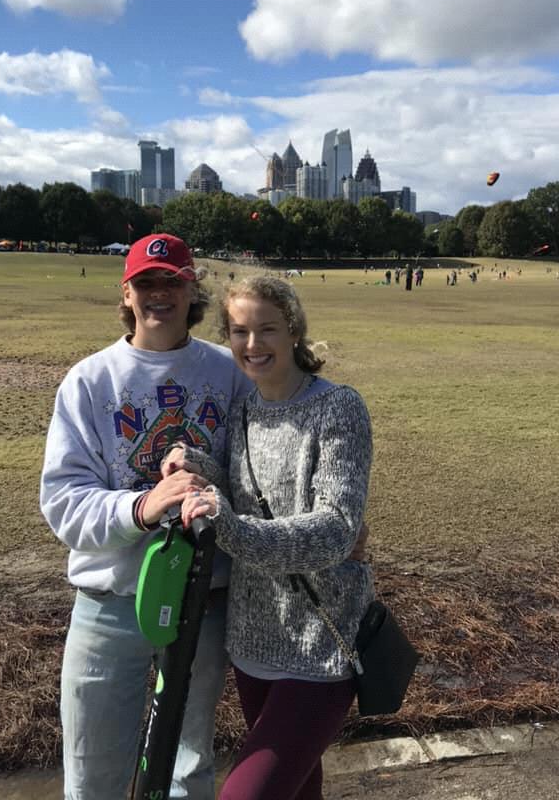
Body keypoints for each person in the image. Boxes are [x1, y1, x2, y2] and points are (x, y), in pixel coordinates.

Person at [40, 233, 251, 800]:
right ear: (126, 293)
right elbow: (63, 501)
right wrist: (142, 506)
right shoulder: (90, 380)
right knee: (93, 775)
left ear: (191, 291)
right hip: (110, 604)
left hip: (201, 603)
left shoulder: (230, 372)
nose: (160, 293)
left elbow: (259, 473)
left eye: (172, 281)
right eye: (146, 282)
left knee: (188, 769)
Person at [167, 276, 374, 800]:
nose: (253, 344)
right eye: (240, 331)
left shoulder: (339, 407)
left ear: (294, 331)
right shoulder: (244, 407)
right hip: (252, 640)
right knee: (299, 790)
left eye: (268, 329)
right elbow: (242, 492)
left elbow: (337, 530)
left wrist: (232, 530)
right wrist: (195, 463)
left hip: (320, 644)